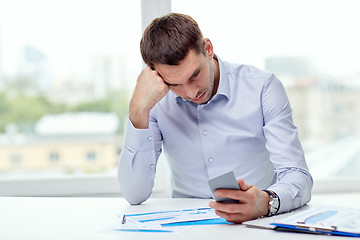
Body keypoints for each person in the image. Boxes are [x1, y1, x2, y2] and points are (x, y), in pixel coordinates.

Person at [117, 12, 313, 223]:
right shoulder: (156, 102)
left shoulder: (262, 88)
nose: (191, 93)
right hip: (186, 229)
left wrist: (266, 202)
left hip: (256, 224)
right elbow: (134, 195)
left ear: (208, 49)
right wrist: (137, 111)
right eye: (175, 84)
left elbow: (297, 176)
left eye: (194, 75)